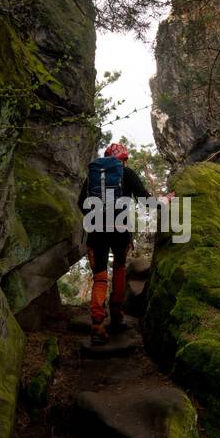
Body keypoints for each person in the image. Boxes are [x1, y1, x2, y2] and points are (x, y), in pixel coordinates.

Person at [77, 142, 149, 345]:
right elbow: (145, 200)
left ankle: (97, 325)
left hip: (97, 233)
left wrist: (96, 219)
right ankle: (117, 316)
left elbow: (81, 202)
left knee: (100, 278)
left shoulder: (94, 177)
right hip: (120, 232)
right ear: (123, 159)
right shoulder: (127, 174)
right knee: (119, 269)